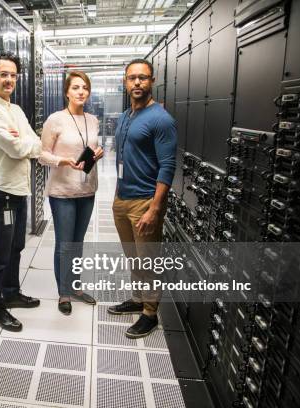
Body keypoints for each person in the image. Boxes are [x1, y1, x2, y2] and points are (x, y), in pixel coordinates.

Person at [108, 59, 177, 338]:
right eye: (132, 78)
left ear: (152, 81)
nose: (137, 83)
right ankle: (137, 299)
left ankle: (150, 312)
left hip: (145, 202)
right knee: (133, 257)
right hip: (122, 198)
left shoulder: (161, 119)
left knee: (147, 259)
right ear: (125, 82)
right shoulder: (126, 115)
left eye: (143, 78)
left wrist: (155, 209)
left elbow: (168, 165)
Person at [0, 52, 42, 332]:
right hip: (0, 192)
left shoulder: (15, 111)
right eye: (4, 74)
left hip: (19, 190)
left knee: (16, 246)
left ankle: (11, 292)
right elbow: (17, 149)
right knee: (0, 251)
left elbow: (34, 143)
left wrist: (26, 142)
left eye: (13, 75)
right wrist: (25, 143)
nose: (9, 80)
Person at [39, 71, 104, 315]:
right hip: (63, 191)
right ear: (67, 92)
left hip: (87, 189)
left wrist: (99, 153)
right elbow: (42, 154)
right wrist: (62, 160)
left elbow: (93, 147)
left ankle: (75, 286)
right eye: (76, 87)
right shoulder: (55, 120)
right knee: (65, 244)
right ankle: (64, 292)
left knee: (78, 243)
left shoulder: (93, 119)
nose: (81, 92)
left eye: (85, 87)